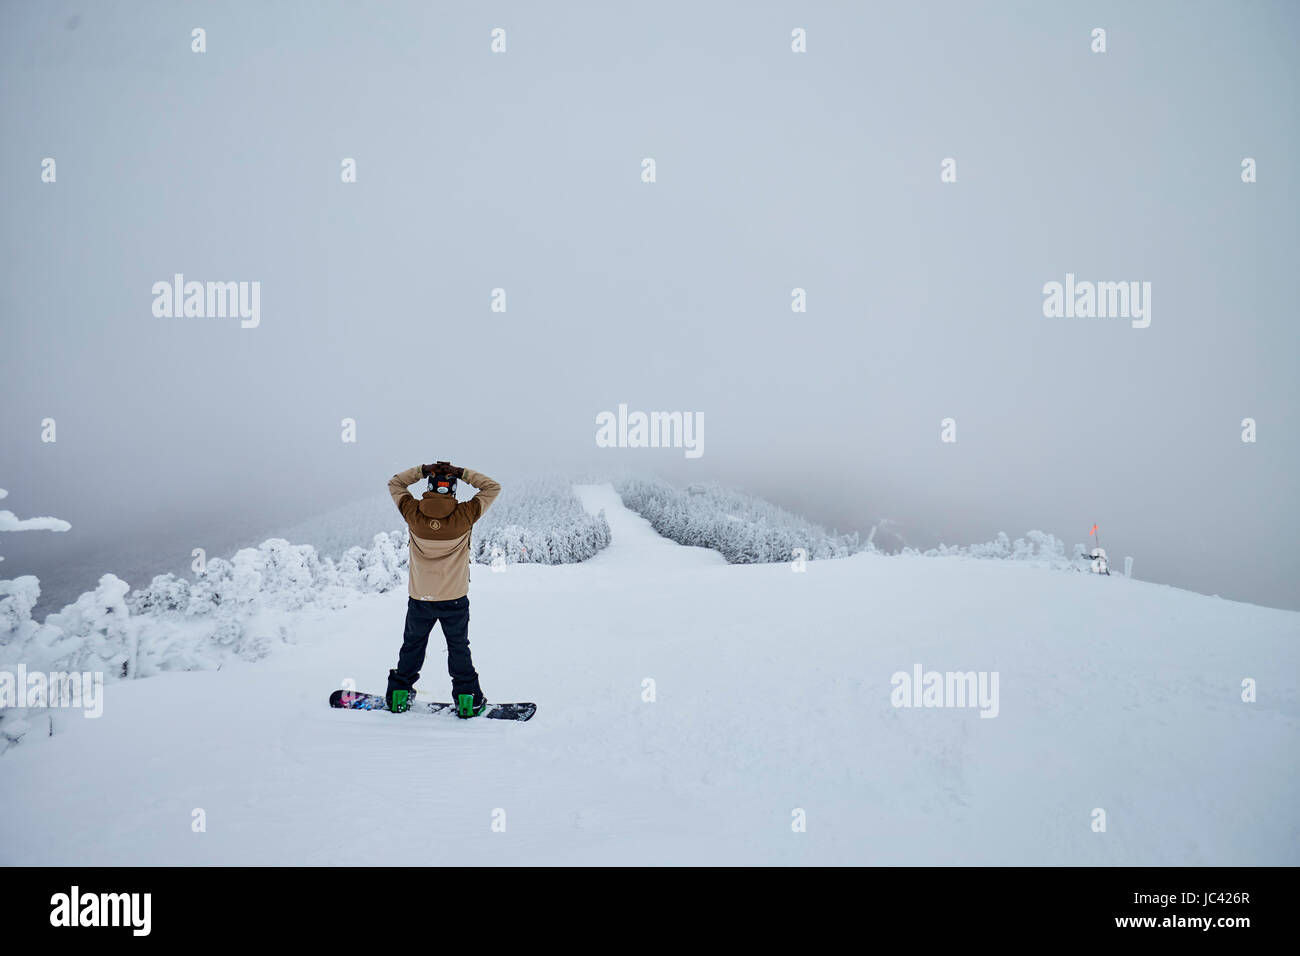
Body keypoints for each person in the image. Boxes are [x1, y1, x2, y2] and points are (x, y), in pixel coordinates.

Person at [384, 461, 501, 716]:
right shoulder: (465, 514)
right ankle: (467, 700)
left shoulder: (412, 512)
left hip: (420, 598)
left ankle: (398, 696)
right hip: (454, 599)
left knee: (412, 646)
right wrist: (463, 473)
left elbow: (396, 483)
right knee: (458, 647)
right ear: (454, 489)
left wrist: (422, 469)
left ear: (429, 486)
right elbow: (492, 487)